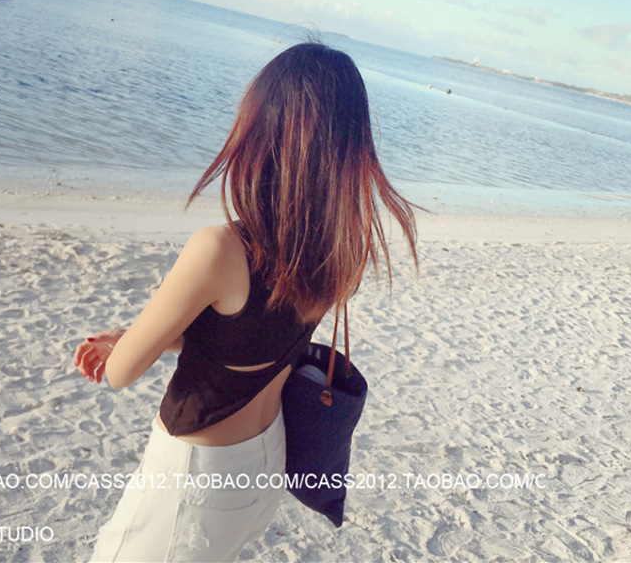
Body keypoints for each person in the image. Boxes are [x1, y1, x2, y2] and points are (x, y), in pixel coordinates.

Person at [74, 41, 418, 562]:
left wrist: (130, 343)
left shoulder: (220, 250)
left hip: (197, 475)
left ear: (264, 132)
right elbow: (249, 343)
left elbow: (120, 373)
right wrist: (147, 337)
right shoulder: (335, 252)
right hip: (263, 464)